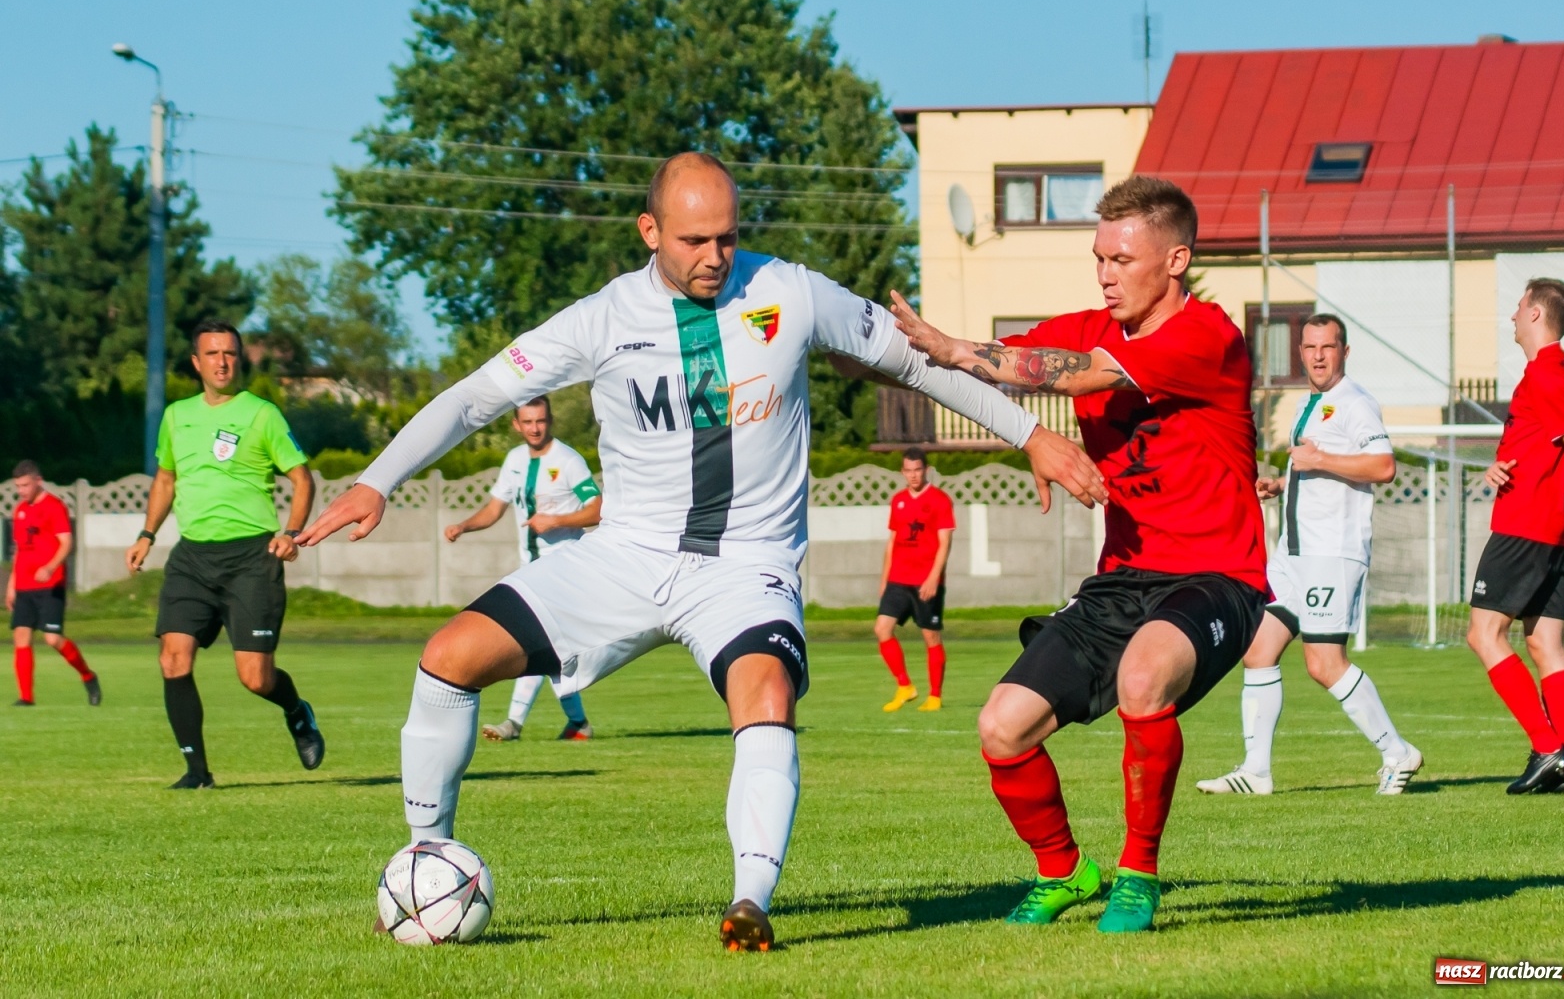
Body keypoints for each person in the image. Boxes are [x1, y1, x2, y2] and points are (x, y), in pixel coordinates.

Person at [297, 152, 1101, 952]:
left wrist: (1029, 434)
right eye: (692, 240)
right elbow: (477, 396)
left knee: (764, 694)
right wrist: (376, 479)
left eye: (727, 235)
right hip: (624, 558)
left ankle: (751, 901)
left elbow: (920, 362)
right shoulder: (601, 319)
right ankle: (422, 858)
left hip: (744, 568)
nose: (715, 255)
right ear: (650, 231)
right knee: (447, 657)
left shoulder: (791, 291)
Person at [891, 175, 1267, 934]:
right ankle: (1066, 871)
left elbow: (1075, 373)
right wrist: (1028, 437)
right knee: (1002, 725)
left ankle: (1137, 874)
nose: (1104, 273)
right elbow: (996, 377)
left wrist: (967, 352)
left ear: (1175, 261)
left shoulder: (1210, 336)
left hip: (1216, 577)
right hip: (1121, 580)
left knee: (1142, 676)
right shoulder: (1086, 322)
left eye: (1122, 259)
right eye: (1098, 257)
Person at [1198, 315, 1422, 796]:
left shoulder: (1356, 403)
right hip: (1294, 554)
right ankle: (1255, 771)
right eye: (1310, 347)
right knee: (1258, 652)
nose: (1318, 355)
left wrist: (1319, 460)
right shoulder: (1311, 404)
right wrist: (1282, 484)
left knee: (1323, 664)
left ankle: (1397, 751)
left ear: (1344, 351)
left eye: (1328, 347)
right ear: (1300, 351)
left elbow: (1383, 466)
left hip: (1331, 554)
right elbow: (1316, 466)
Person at [125, 320, 324, 789]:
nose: (221, 361)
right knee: (173, 659)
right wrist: (146, 534)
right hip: (192, 558)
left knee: (255, 677)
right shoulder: (176, 415)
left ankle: (297, 711)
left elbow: (302, 479)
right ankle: (197, 773)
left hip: (251, 559)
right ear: (196, 362)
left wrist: (292, 533)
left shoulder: (262, 414)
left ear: (241, 359)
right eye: (212, 354)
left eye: (230, 353)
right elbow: (166, 480)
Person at [1465, 277, 1564, 795]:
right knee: (1545, 641)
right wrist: (1502, 465)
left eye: (1520, 307)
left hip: (1526, 526)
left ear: (1539, 315)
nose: (1513, 316)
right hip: (1552, 526)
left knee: (1483, 634)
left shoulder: (1548, 373)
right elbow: (1546, 444)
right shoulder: (1554, 373)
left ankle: (1549, 749)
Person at [443, 396, 601, 741]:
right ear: (516, 425)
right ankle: (578, 723)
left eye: (540, 421)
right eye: (527, 422)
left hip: (563, 570)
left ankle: (513, 724)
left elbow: (597, 509)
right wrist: (463, 526)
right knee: (553, 654)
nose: (534, 428)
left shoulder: (568, 460)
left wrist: (557, 520)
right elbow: (493, 509)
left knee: (534, 644)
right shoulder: (514, 460)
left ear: (550, 420)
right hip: (530, 570)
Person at [8, 460, 99, 706]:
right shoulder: (19, 511)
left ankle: (88, 676)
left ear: (38, 481)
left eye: (25, 485)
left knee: (52, 639)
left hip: (51, 584)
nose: (21, 491)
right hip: (24, 586)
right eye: (18, 486)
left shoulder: (54, 506)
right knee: (21, 637)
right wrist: (11, 585)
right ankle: (26, 698)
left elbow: (66, 543)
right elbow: (19, 550)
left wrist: (49, 567)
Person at [875, 447, 954, 712]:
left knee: (931, 637)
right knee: (882, 629)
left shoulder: (940, 500)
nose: (913, 475)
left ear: (926, 469)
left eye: (917, 470)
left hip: (925, 580)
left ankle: (935, 696)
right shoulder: (897, 500)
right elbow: (892, 542)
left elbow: (944, 543)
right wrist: (884, 579)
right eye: (908, 470)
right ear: (902, 472)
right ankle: (905, 686)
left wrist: (934, 578)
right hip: (898, 578)